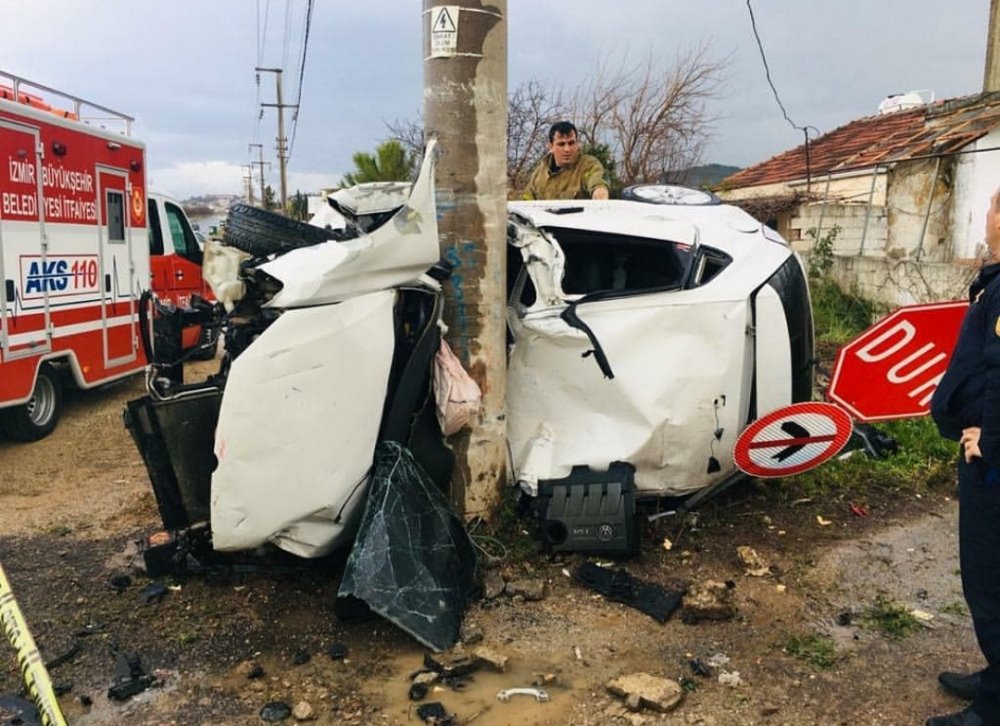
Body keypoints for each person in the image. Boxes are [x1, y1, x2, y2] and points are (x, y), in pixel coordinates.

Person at [927, 188, 1000, 726]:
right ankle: (995, 675)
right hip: (984, 457)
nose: (987, 216)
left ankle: (995, 706)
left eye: (995, 207)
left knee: (990, 579)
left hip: (992, 465)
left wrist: (991, 443)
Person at [523, 121, 609, 201]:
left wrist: (599, 190)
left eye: (571, 143)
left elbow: (595, 177)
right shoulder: (539, 174)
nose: (567, 149)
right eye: (561, 144)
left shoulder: (587, 165)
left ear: (577, 144)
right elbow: (526, 201)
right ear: (551, 147)